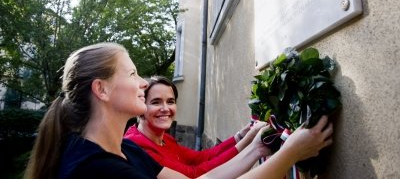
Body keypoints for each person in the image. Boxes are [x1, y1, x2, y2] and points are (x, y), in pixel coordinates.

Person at [24, 42, 333, 179]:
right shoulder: (96, 169)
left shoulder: (122, 153)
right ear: (101, 89)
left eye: (170, 101)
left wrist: (257, 149)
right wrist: (289, 153)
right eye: (132, 74)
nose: (143, 82)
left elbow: (200, 175)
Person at [124, 75, 265, 177]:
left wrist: (240, 136)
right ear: (140, 106)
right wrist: (249, 142)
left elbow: (201, 157)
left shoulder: (165, 139)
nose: (165, 108)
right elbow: (194, 174)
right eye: (156, 102)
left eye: (171, 101)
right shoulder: (137, 146)